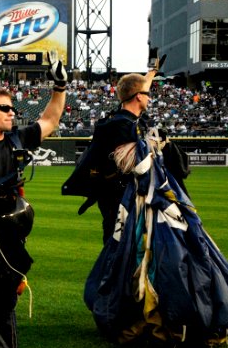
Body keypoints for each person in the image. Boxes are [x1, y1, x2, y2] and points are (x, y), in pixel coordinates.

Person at [0, 51, 68, 348]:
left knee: (7, 296)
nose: (12, 113)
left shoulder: (19, 138)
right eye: (4, 108)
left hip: (10, 233)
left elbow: (50, 119)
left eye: (12, 108)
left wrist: (60, 87)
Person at [62, 57, 182, 243]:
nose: (150, 97)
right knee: (119, 253)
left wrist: (151, 73)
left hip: (124, 200)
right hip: (120, 202)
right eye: (148, 94)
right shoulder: (121, 126)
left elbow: (137, 89)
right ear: (139, 97)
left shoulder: (122, 118)